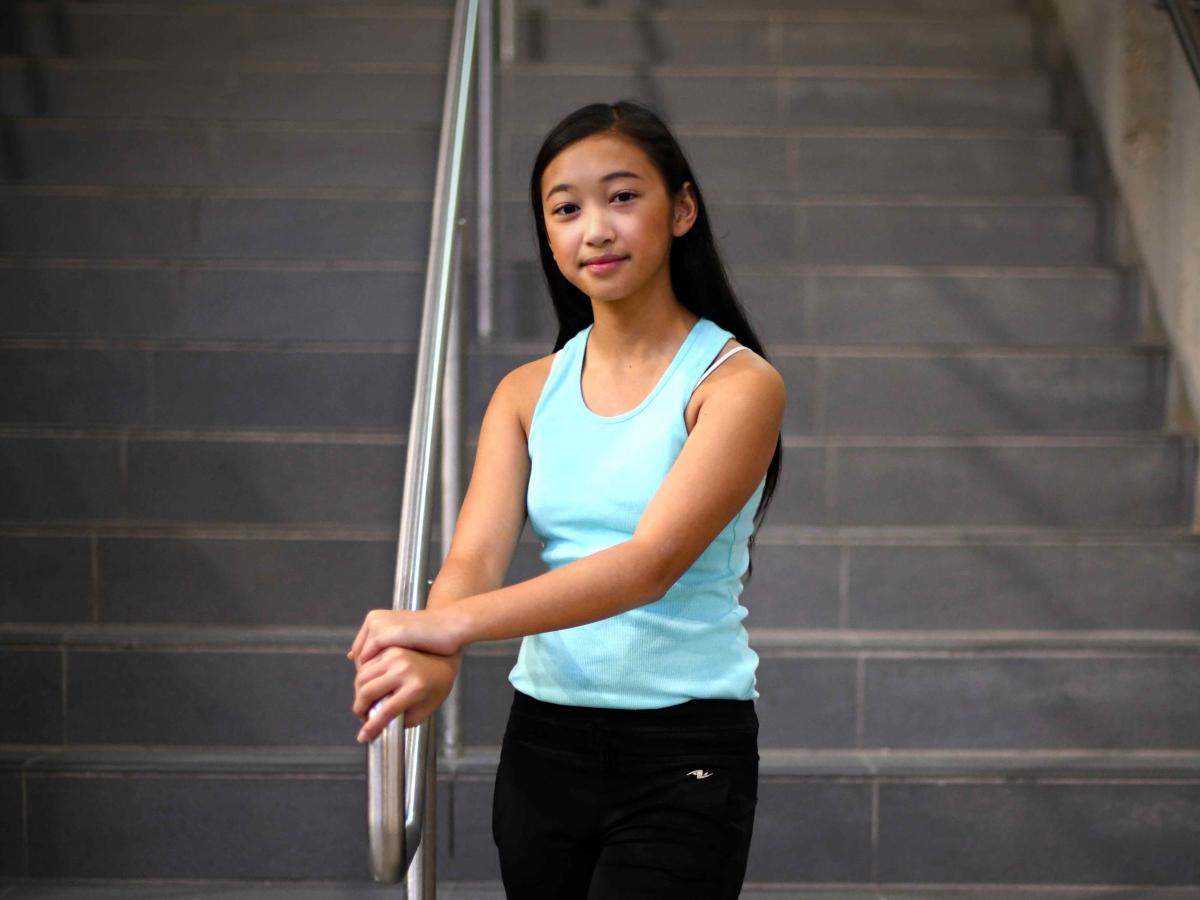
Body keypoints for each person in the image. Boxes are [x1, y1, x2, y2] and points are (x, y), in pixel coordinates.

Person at [347, 99, 785, 899]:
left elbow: (648, 565)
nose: (595, 229)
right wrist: (436, 660)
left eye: (623, 197)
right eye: (566, 208)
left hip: (683, 748)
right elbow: (474, 557)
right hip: (544, 745)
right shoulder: (526, 392)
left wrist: (444, 626)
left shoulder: (737, 385)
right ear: (547, 233)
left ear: (682, 209)